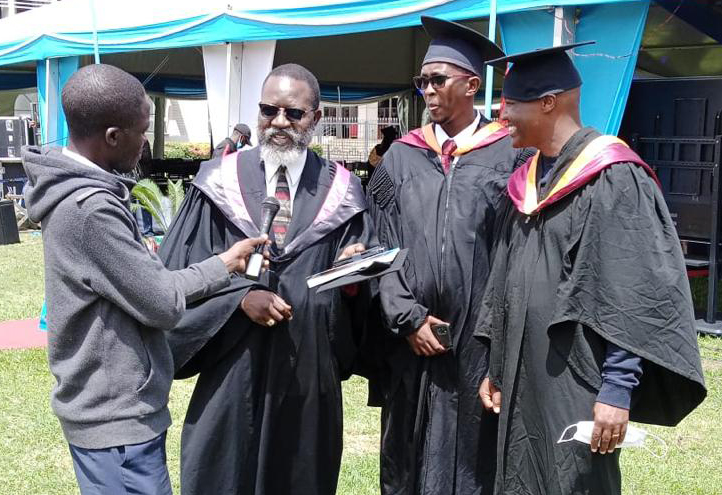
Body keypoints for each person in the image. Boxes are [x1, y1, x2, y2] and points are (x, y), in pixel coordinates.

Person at [21, 63, 268, 495]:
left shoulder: (83, 196)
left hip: (110, 412)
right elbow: (161, 301)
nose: (146, 143)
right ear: (114, 136)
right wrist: (225, 264)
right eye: (143, 130)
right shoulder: (90, 209)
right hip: (115, 421)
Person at [475, 43, 707, 494]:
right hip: (524, 367)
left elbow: (635, 289)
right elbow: (505, 277)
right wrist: (498, 365)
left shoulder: (613, 176)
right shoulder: (529, 179)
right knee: (519, 473)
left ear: (548, 102)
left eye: (512, 105)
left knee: (573, 481)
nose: (503, 118)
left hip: (577, 374)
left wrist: (617, 390)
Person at [158, 63, 375, 495]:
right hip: (231, 366)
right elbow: (175, 278)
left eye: (293, 113)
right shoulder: (218, 183)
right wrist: (239, 299)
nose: (278, 122)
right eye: (268, 110)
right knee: (224, 473)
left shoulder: (344, 193)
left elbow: (358, 300)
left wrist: (354, 276)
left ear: (315, 117)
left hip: (307, 369)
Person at [366, 16, 528, 495]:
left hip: (478, 340)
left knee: (472, 460)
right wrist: (407, 318)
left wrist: (494, 328)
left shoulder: (511, 154)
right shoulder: (400, 156)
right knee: (406, 455)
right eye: (422, 82)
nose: (427, 91)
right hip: (411, 341)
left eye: (438, 80)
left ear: (472, 84)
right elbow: (379, 243)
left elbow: (518, 249)